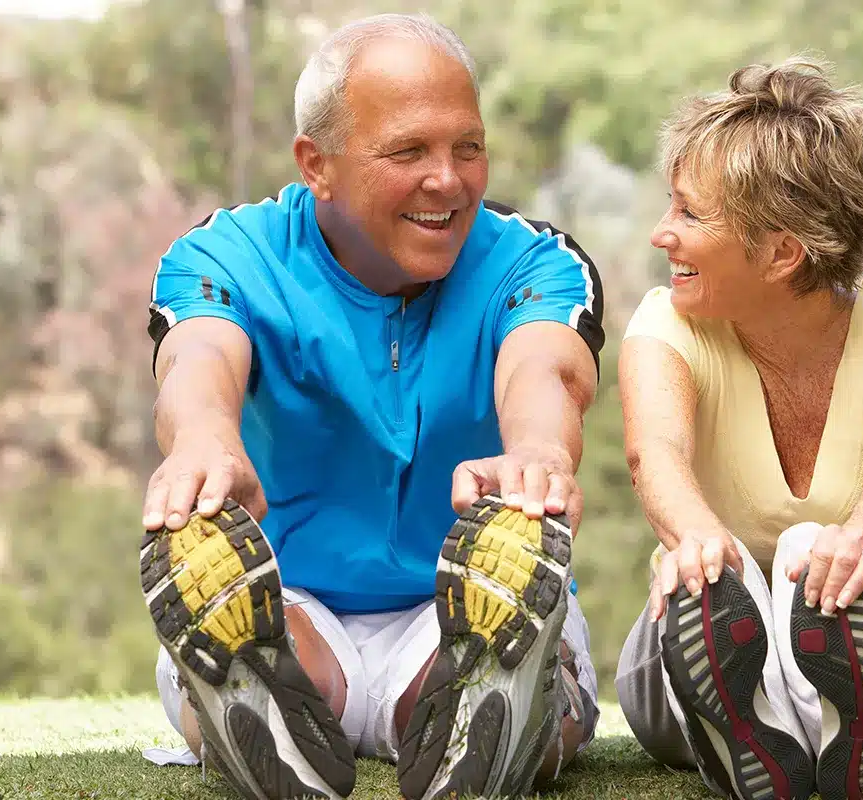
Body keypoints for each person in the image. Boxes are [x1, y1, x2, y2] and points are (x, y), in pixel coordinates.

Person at [138, 13, 604, 800]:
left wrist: (540, 453)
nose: (448, 181)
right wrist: (205, 441)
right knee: (274, 643)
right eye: (409, 151)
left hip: (462, 606)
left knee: (482, 667)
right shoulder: (225, 255)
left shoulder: (534, 261)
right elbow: (198, 356)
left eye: (468, 147)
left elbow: (545, 371)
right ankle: (248, 686)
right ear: (316, 164)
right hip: (289, 596)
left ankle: (503, 700)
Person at [613, 57, 863, 800]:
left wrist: (861, 543)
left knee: (811, 557)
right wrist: (694, 539)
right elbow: (655, 451)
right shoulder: (668, 325)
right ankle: (786, 719)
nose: (662, 234)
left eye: (690, 214)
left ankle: (821, 706)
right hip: (708, 608)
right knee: (717, 581)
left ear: (782, 252)